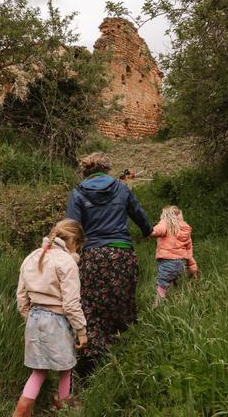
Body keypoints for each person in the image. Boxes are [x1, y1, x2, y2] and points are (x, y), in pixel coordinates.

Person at [66, 152, 152, 375]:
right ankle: (123, 355)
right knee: (122, 303)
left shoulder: (77, 193)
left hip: (93, 256)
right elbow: (138, 213)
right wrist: (148, 230)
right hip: (122, 254)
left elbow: (71, 229)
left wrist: (69, 257)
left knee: (91, 307)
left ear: (86, 171)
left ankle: (90, 364)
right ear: (107, 169)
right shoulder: (121, 188)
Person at [13, 219, 88, 416]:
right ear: (73, 241)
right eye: (79, 245)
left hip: (34, 319)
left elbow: (21, 298)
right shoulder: (67, 263)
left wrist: (31, 318)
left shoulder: (30, 258)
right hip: (56, 320)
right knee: (66, 367)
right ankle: (64, 409)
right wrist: (81, 330)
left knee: (38, 371)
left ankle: (21, 412)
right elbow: (71, 305)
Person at [150, 205, 198, 306]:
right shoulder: (185, 230)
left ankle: (157, 306)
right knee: (178, 286)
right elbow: (189, 252)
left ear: (165, 216)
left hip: (168, 263)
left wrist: (149, 231)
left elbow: (157, 231)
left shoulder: (165, 224)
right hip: (182, 264)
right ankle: (179, 306)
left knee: (162, 285)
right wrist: (193, 269)